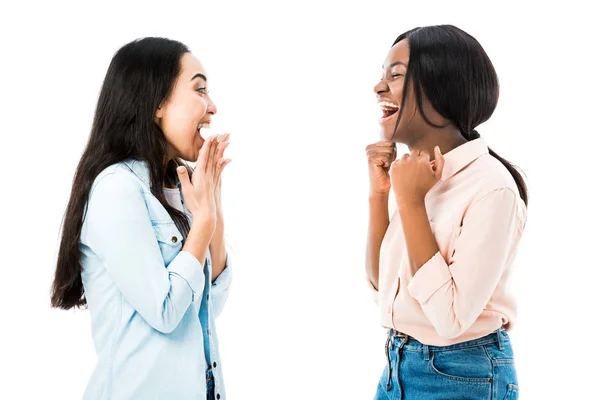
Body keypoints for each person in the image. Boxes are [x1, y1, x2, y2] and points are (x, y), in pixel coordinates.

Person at [50, 37, 232, 400]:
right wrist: (203, 224)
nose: (212, 106)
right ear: (157, 104)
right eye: (199, 90)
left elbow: (211, 300)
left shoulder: (179, 185)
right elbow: (165, 310)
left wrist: (212, 207)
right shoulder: (115, 188)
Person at [365, 25, 527, 399]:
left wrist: (410, 203)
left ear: (441, 86)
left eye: (396, 75)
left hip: (462, 374)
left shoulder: (491, 188)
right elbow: (380, 288)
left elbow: (450, 319)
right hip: (398, 365)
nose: (378, 87)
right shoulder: (416, 176)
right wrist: (380, 194)